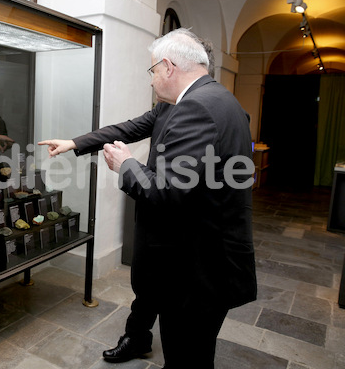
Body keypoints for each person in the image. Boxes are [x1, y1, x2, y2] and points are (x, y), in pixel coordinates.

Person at [38, 28, 256, 368]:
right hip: (205, 255)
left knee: (187, 356)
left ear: (168, 67)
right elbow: (131, 127)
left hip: (197, 267)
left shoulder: (196, 109)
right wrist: (75, 143)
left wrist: (125, 165)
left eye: (153, 70)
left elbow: (167, 191)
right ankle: (138, 337)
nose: (151, 79)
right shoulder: (214, 100)